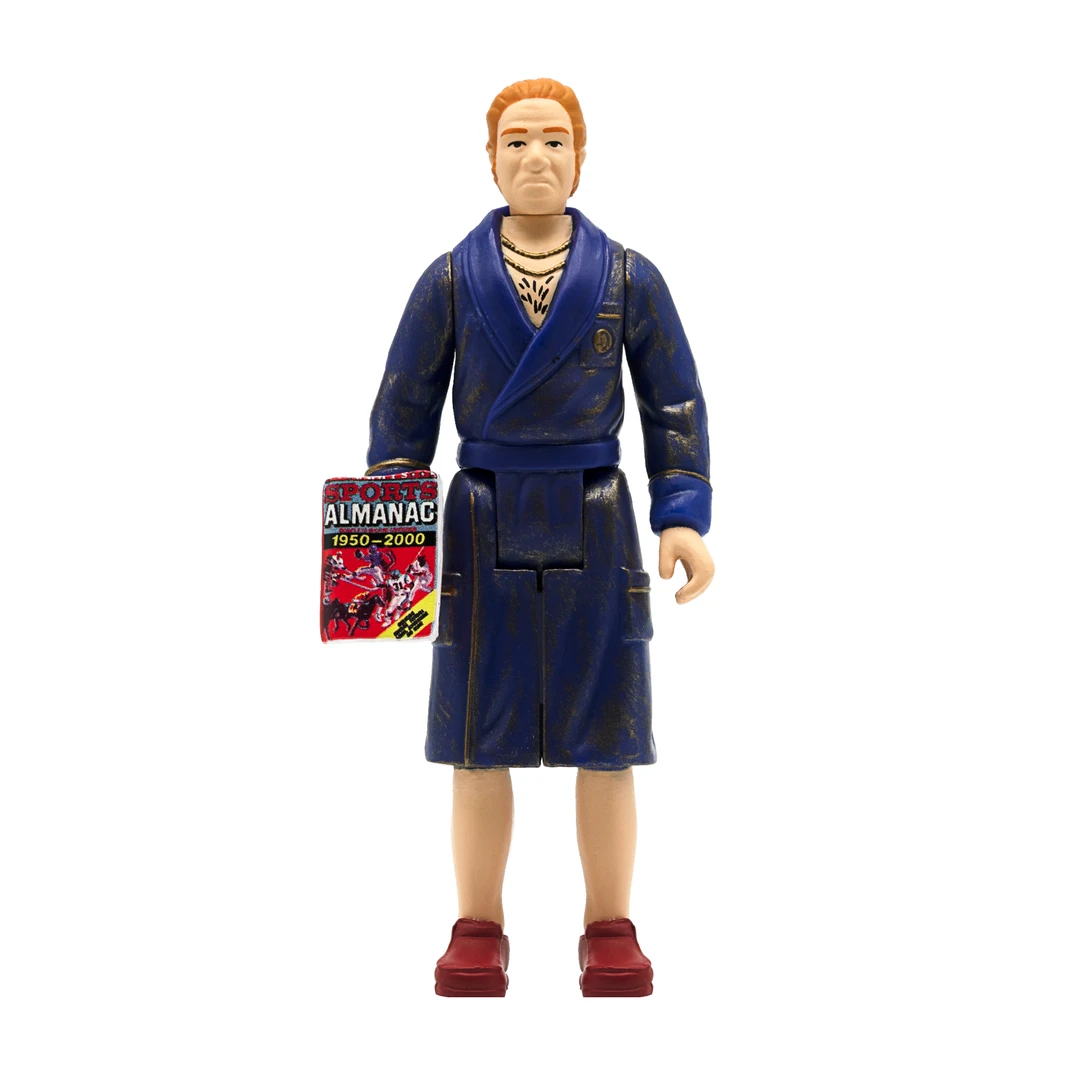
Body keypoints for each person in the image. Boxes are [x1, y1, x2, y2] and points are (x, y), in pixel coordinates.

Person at [366, 78, 714, 996]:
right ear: (490, 161)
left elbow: (673, 404)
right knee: (476, 736)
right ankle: (477, 925)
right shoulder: (450, 280)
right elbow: (402, 411)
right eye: (516, 141)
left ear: (581, 159)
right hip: (479, 516)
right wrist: (387, 539)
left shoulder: (628, 278)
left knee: (609, 734)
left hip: (597, 514)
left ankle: (610, 926)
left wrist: (681, 513)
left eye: (554, 141)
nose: (535, 157)